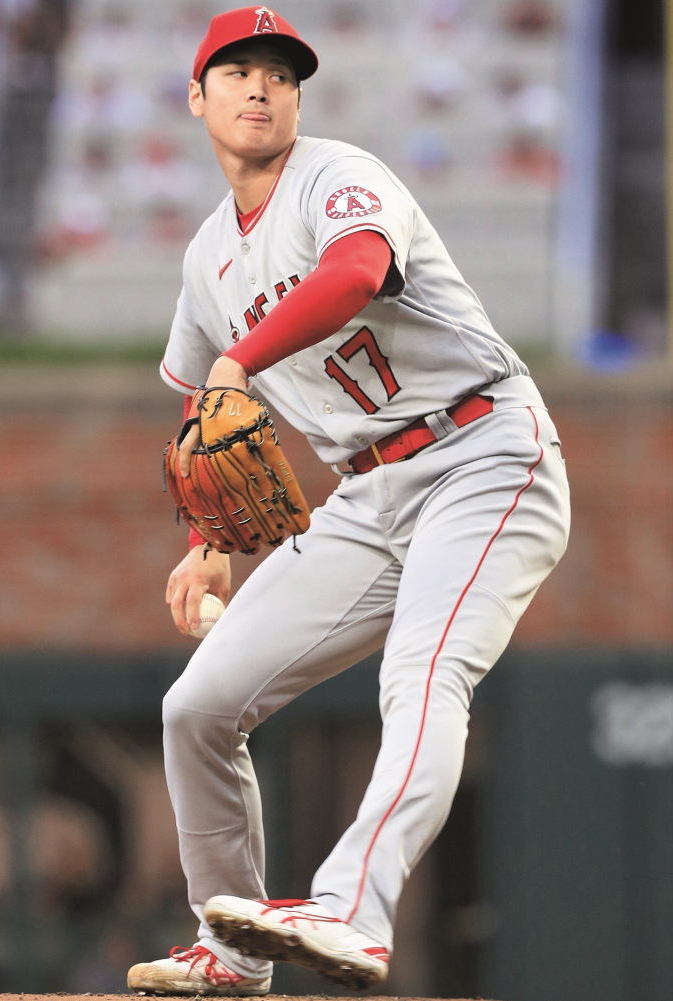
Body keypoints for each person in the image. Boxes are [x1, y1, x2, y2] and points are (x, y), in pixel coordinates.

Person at [127, 6, 570, 996]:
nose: (260, 87)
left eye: (280, 74)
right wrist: (211, 538)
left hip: (485, 451)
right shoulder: (207, 258)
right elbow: (210, 403)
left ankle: (354, 913)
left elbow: (355, 271)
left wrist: (241, 359)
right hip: (369, 495)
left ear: (297, 96)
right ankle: (230, 954)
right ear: (195, 98)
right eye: (236, 70)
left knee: (420, 674)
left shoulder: (340, 176)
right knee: (197, 704)